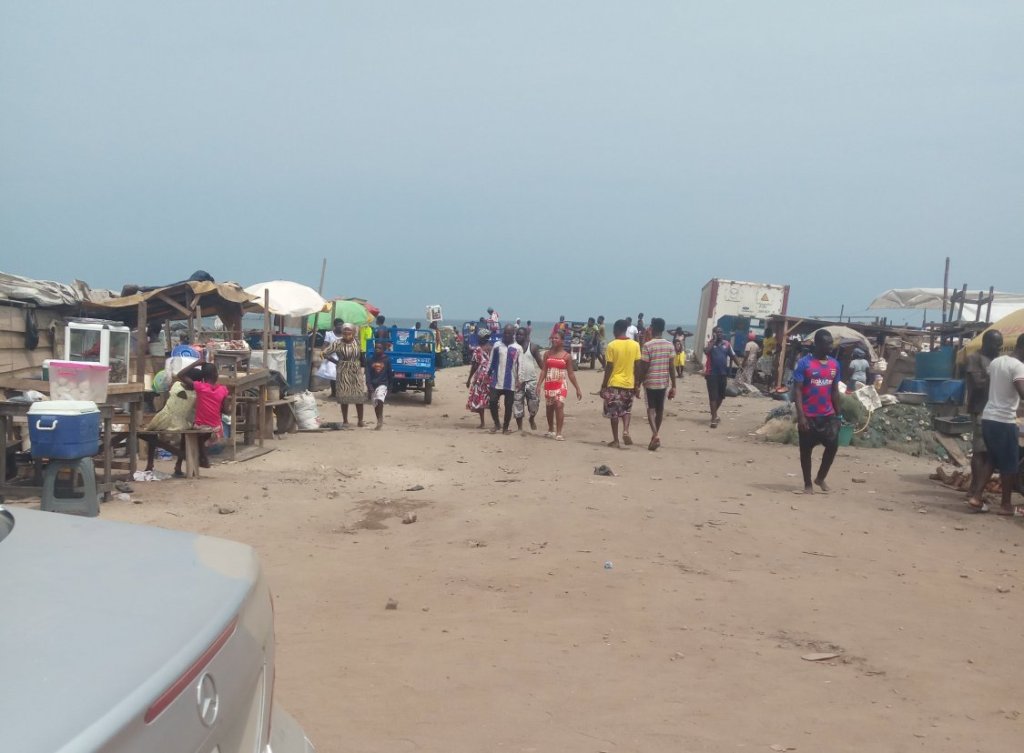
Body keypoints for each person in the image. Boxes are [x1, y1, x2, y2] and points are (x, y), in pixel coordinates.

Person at [969, 332, 1024, 515]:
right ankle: (1006, 505)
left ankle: (976, 496)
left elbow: (997, 388)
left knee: (992, 459)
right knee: (1010, 464)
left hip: (988, 417)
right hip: (1004, 420)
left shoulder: (996, 363)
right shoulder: (1018, 367)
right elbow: (1022, 392)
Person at [793, 330, 842, 494]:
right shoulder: (804, 364)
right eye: (827, 343)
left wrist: (839, 415)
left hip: (828, 416)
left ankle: (820, 478)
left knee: (833, 447)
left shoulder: (835, 365)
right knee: (806, 451)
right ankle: (808, 484)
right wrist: (801, 416)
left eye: (831, 343)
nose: (831, 346)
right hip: (808, 416)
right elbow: (797, 391)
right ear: (818, 344)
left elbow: (835, 391)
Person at [965, 330, 1002, 508]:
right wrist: (997, 375)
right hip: (980, 408)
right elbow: (978, 383)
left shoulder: (997, 360)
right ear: (986, 343)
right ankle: (974, 489)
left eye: (1000, 344)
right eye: (996, 344)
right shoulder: (975, 358)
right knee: (980, 450)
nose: (999, 348)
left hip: (994, 410)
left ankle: (977, 488)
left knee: (988, 452)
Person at [175, 362, 229, 477]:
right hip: (216, 430)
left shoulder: (200, 387)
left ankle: (197, 457)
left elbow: (180, 375)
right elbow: (226, 410)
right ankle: (201, 456)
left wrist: (196, 363)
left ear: (203, 376)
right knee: (194, 434)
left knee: (187, 433)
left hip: (200, 427)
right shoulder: (223, 390)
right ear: (216, 375)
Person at [600, 319, 642, 448]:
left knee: (614, 412)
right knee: (626, 410)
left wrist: (604, 385)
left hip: (615, 383)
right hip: (629, 383)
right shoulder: (635, 345)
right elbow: (638, 366)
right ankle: (626, 430)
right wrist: (637, 384)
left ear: (616, 330)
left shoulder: (612, 345)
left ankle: (616, 440)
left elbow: (609, 367)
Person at [636, 317, 677, 451]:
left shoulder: (648, 346)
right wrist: (674, 385)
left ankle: (655, 434)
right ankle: (655, 436)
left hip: (650, 382)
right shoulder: (669, 345)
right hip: (663, 382)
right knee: (660, 410)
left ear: (652, 328)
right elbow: (671, 367)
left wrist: (638, 383)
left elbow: (644, 367)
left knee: (651, 409)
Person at [537, 330, 582, 440]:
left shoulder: (567, 356)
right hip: (549, 383)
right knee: (549, 408)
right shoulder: (547, 354)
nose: (554, 340)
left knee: (559, 405)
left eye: (556, 338)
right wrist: (538, 385)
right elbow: (544, 370)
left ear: (562, 340)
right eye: (553, 338)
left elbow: (571, 374)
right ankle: (550, 429)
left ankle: (559, 433)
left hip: (561, 384)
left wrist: (577, 388)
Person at [323, 323, 366, 427]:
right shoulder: (337, 343)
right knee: (344, 395)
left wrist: (363, 367)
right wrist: (336, 362)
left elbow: (361, 355)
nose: (347, 334)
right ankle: (345, 421)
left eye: (349, 331)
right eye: (345, 331)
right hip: (343, 371)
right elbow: (325, 353)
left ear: (353, 332)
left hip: (356, 370)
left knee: (359, 395)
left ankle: (360, 421)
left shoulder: (357, 342)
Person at [704, 326, 740, 428]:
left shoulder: (727, 344)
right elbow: (706, 351)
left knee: (721, 397)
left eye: (721, 332)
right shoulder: (710, 344)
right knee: (713, 396)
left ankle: (714, 413)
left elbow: (733, 355)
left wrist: (740, 365)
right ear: (714, 333)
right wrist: (714, 341)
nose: (720, 333)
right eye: (717, 332)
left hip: (723, 374)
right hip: (711, 374)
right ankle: (713, 418)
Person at [488, 324, 521, 434]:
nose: (506, 335)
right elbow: (491, 361)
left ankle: (505, 427)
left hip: (510, 382)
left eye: (509, 333)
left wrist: (519, 380)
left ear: (513, 334)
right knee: (492, 402)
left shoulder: (518, 348)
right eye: (505, 332)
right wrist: (487, 374)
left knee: (508, 405)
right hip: (496, 380)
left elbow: (520, 365)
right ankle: (497, 424)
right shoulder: (497, 345)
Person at [513, 327, 542, 432]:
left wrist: (547, 374)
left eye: (520, 335)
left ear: (526, 336)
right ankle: (520, 428)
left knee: (534, 404)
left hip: (531, 380)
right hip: (518, 382)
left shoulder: (533, 347)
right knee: (517, 405)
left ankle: (531, 418)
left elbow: (540, 363)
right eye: (517, 334)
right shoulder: (513, 348)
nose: (518, 336)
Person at [465, 333, 494, 428]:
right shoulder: (492, 348)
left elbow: (474, 366)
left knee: (480, 398)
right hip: (491, 376)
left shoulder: (478, 350)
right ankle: (496, 422)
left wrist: (469, 379)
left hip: (481, 377)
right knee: (492, 399)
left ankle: (483, 423)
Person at [365, 340, 393, 430]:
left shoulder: (387, 360)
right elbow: (368, 374)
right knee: (375, 404)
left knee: (379, 399)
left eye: (379, 348)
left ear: (383, 349)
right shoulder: (370, 360)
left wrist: (390, 387)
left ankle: (380, 419)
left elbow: (390, 374)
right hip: (373, 384)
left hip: (383, 384)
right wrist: (369, 386)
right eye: (376, 348)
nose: (377, 349)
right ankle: (379, 419)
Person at [316, 318, 345, 397]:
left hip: (343, 356)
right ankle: (334, 393)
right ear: (335, 325)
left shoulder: (345, 334)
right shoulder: (329, 334)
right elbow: (325, 344)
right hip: (332, 356)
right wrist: (323, 351)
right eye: (339, 325)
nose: (341, 327)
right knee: (333, 375)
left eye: (342, 325)